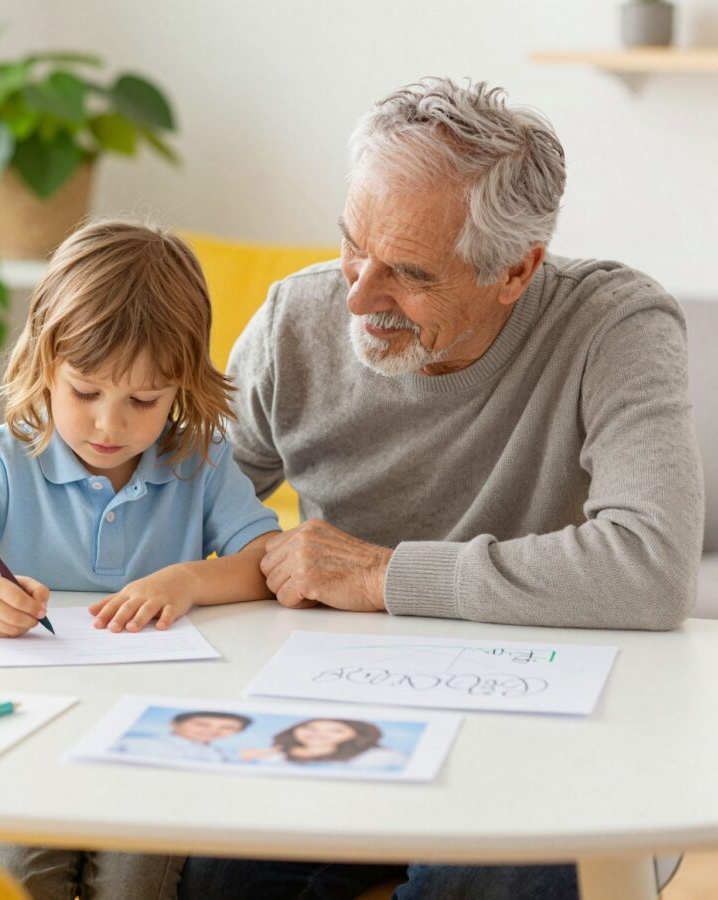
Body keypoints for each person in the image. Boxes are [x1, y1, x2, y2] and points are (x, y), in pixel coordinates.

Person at [180, 76, 703, 900]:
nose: (357, 294)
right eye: (352, 243)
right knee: (211, 880)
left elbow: (649, 565)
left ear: (516, 270)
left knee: (471, 885)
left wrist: (381, 576)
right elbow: (179, 509)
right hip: (340, 720)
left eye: (409, 273)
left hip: (549, 732)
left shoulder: (616, 326)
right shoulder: (296, 318)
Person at [0, 219, 280, 900]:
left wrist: (190, 579)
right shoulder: (5, 459)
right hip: (20, 738)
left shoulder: (199, 463)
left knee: (132, 887)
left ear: (182, 386)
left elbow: (270, 562)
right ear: (43, 364)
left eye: (144, 400)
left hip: (156, 747)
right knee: (16, 881)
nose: (108, 425)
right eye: (85, 391)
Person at [239, 718, 407, 769]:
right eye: (309, 727)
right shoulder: (271, 755)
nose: (319, 734)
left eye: (336, 730)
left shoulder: (378, 757)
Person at [115, 710, 252, 763]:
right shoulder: (131, 744)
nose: (213, 731)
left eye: (227, 728)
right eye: (202, 724)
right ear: (174, 724)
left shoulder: (217, 753)